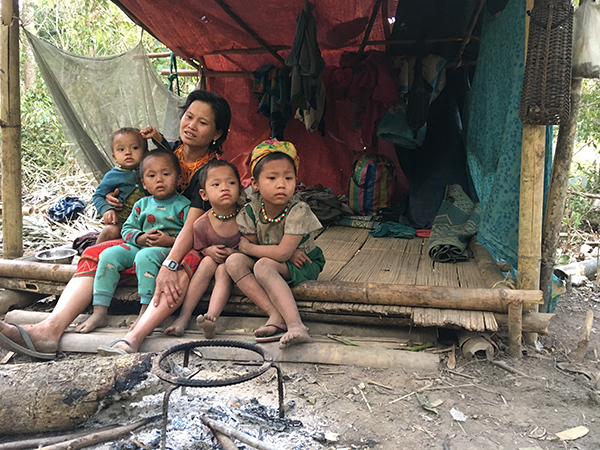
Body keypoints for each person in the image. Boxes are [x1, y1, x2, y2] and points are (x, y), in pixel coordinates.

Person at [0, 89, 231, 360]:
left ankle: (132, 338)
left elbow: (192, 228)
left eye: (202, 123)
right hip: (145, 238)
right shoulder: (165, 153)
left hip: (187, 242)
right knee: (95, 253)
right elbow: (134, 187)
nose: (191, 125)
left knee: (181, 269)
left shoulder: (212, 174)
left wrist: (169, 263)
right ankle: (49, 330)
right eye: (188, 117)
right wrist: (114, 199)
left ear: (216, 133)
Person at [226, 140, 325, 349]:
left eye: (288, 178)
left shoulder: (298, 210)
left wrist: (249, 248)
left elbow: (281, 253)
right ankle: (274, 313)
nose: (282, 184)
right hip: (274, 261)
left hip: (303, 263)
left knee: (263, 265)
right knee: (234, 261)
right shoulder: (252, 210)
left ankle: (296, 326)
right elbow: (252, 249)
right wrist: (245, 250)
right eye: (272, 178)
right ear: (255, 183)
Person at [77, 150, 189, 335]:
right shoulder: (142, 205)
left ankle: (145, 309)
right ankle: (100, 310)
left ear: (178, 179)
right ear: (144, 183)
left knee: (145, 256)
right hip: (140, 244)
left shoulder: (184, 205)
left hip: (166, 249)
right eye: (152, 176)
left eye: (166, 174)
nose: (159, 180)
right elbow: (127, 229)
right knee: (108, 255)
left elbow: (191, 236)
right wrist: (140, 237)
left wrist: (169, 240)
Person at [164, 159, 242, 338]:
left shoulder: (246, 217)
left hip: (239, 266)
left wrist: (234, 253)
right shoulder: (201, 224)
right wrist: (209, 250)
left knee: (223, 269)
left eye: (231, 183)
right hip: (212, 262)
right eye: (216, 184)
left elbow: (254, 245)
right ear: (204, 194)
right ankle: (183, 317)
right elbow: (199, 248)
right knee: (207, 262)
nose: (225, 188)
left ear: (241, 188)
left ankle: (211, 318)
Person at [92, 128, 148, 244]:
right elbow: (98, 196)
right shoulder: (112, 176)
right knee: (110, 230)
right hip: (122, 222)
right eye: (121, 149)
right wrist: (107, 209)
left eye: (134, 148)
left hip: (148, 221)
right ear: (114, 157)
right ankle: (93, 256)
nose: (128, 152)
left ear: (146, 152)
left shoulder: (150, 170)